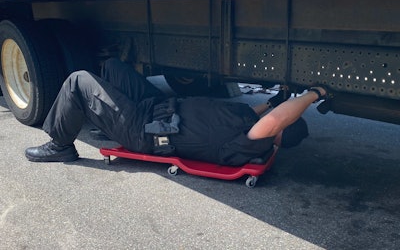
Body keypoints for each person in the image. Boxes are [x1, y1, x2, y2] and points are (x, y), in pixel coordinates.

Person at [25, 58, 328, 166]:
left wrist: (315, 94)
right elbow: (269, 113)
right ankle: (104, 121)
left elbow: (276, 120)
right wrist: (275, 100)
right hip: (158, 107)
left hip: (144, 129)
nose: (272, 117)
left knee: (79, 80)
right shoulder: (253, 122)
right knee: (113, 68)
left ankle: (60, 145)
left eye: (280, 121)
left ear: (279, 133)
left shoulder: (254, 143)